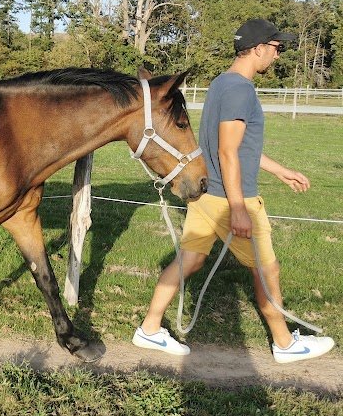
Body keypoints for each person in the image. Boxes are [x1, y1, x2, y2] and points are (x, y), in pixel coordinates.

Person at [132, 18, 335, 363]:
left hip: (207, 195)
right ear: (258, 49)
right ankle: (285, 344)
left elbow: (237, 149)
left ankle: (149, 329)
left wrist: (281, 170)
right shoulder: (241, 89)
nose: (277, 55)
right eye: (276, 48)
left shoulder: (221, 84)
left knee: (190, 260)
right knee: (266, 269)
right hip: (231, 200)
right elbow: (227, 151)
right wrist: (239, 208)